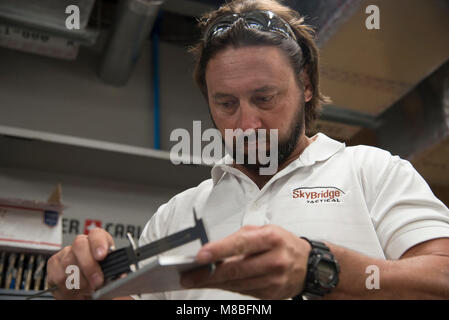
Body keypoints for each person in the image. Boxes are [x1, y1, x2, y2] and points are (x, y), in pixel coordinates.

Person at [47, 0, 449, 300]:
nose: (246, 124)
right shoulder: (176, 216)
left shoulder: (371, 172)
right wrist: (87, 288)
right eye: (226, 104)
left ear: (306, 86)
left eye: (265, 98)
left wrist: (318, 267)